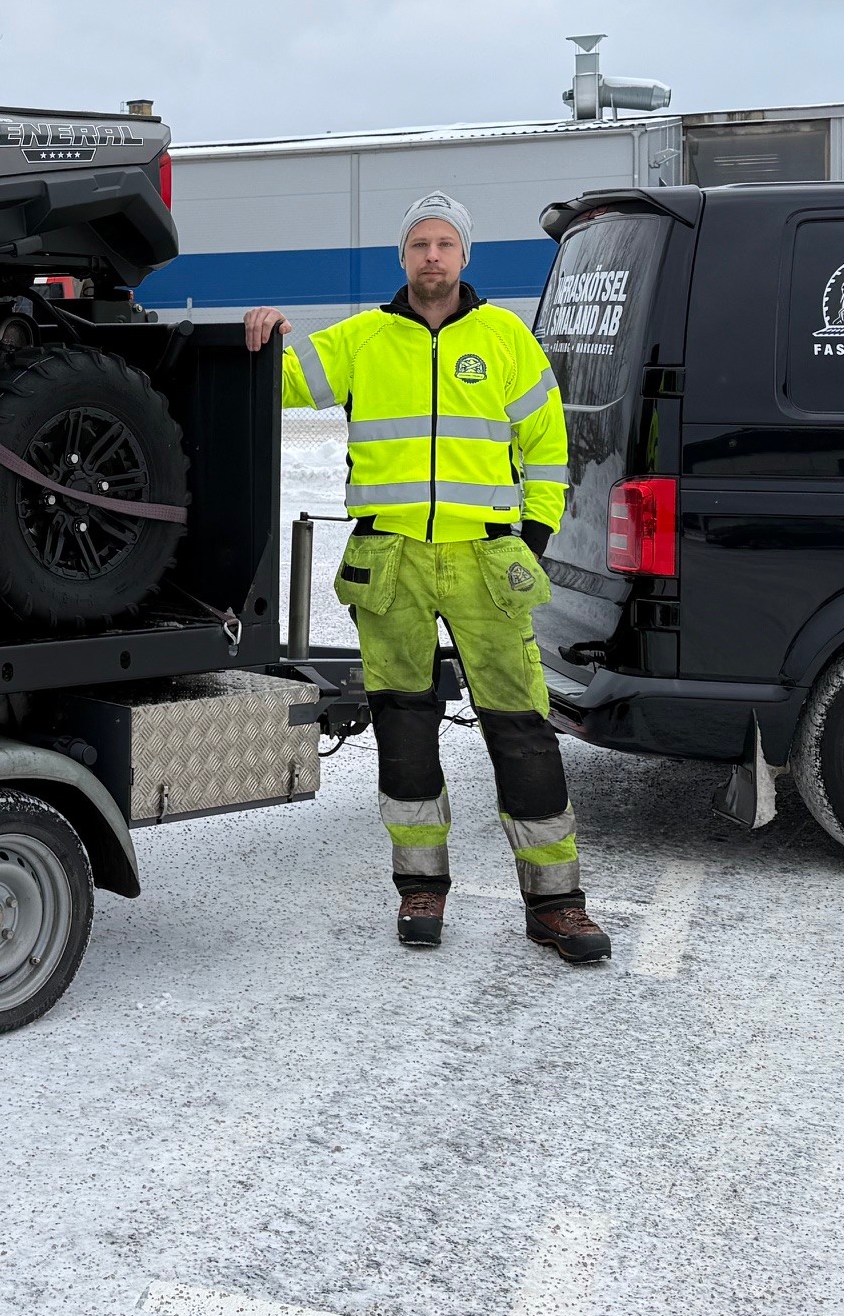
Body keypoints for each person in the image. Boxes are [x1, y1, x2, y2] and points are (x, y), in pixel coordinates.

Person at [245, 193, 611, 961]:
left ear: (465, 256)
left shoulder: (506, 339)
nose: (432, 257)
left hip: (485, 560)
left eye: (445, 243)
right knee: (405, 728)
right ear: (403, 257)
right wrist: (267, 336)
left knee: (521, 729)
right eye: (420, 244)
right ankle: (421, 889)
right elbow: (274, 384)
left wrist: (532, 538)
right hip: (393, 562)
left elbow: (548, 447)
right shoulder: (363, 340)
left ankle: (556, 904)